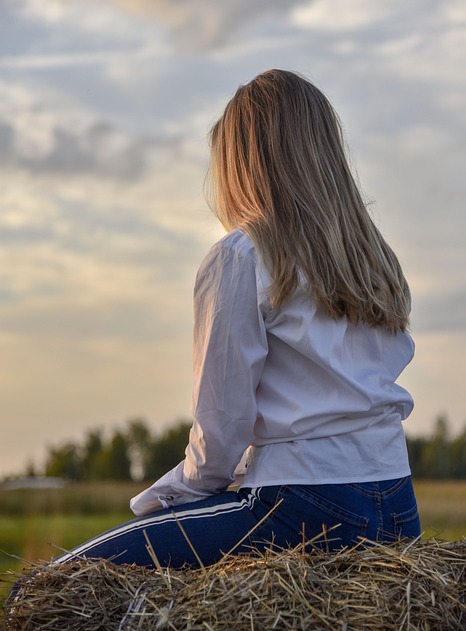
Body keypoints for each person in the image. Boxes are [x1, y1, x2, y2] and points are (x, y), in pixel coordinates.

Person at [55, 69, 420, 568]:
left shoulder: (240, 256)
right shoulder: (374, 260)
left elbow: (221, 435)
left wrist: (160, 500)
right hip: (397, 505)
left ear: (243, 164)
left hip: (301, 506)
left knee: (61, 578)